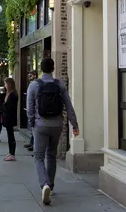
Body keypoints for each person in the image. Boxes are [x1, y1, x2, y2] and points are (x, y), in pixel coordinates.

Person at [27, 58, 79, 206]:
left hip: (40, 125)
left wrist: (32, 124)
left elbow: (30, 109)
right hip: (57, 125)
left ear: (41, 69)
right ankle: (51, 185)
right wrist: (74, 125)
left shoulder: (34, 85)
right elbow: (69, 106)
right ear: (53, 68)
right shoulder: (60, 85)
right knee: (51, 156)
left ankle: (44, 184)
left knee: (38, 157)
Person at [3, 77, 18, 161]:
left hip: (10, 117)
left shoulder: (12, 95)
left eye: (5, 83)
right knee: (9, 135)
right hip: (8, 117)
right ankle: (11, 152)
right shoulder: (9, 94)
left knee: (11, 135)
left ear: (9, 84)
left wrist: (3, 105)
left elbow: (9, 107)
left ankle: (12, 153)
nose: (4, 85)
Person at [24, 70, 38, 151]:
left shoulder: (35, 84)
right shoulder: (32, 84)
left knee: (34, 129)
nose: (29, 77)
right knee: (33, 130)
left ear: (35, 75)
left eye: (31, 76)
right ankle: (31, 143)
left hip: (34, 112)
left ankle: (33, 145)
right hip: (33, 111)